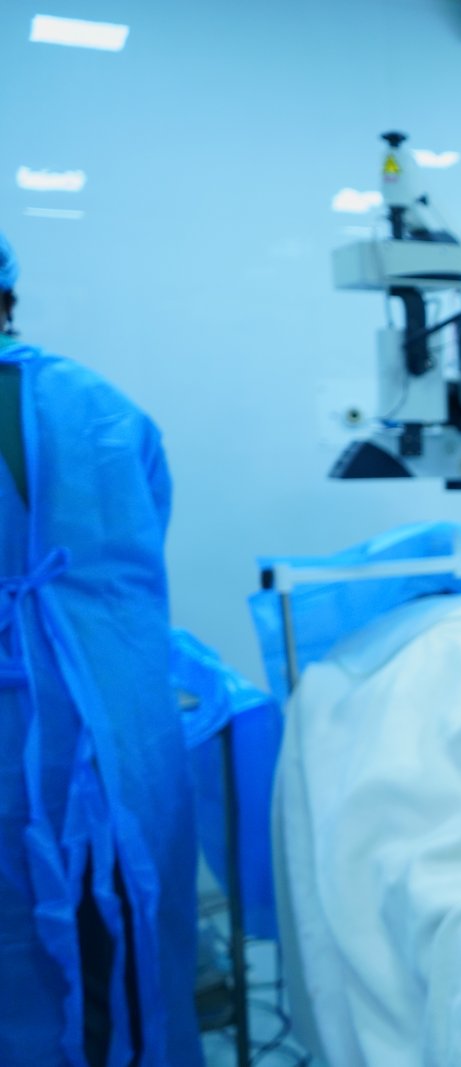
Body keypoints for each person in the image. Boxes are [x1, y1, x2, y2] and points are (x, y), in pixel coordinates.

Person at [0, 231, 202, 1066]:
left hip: (32, 742)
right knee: (116, 955)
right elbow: (133, 563)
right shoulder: (106, 409)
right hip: (115, 735)